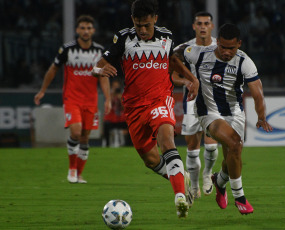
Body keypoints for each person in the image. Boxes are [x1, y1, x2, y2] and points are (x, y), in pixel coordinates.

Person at [92, 0, 199, 218]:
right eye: (139, 25)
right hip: (133, 107)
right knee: (150, 159)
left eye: (147, 25)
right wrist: (98, 71)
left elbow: (172, 60)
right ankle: (180, 176)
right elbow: (98, 65)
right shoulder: (123, 38)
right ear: (133, 20)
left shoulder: (166, 36)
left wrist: (191, 79)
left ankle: (180, 197)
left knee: (167, 140)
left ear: (155, 20)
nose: (142, 30)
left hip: (160, 100)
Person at [183, 23, 273, 215]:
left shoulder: (244, 62)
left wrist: (261, 116)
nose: (226, 52)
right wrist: (186, 80)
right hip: (208, 113)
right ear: (217, 43)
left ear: (239, 44)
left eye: (231, 48)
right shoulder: (199, 53)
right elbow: (173, 55)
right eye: (222, 46)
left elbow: (257, 93)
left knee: (233, 154)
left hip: (235, 114)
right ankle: (239, 197)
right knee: (234, 143)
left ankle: (219, 181)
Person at [34, 15, 111, 184]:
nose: (85, 31)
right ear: (77, 30)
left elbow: (104, 76)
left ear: (93, 31)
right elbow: (53, 69)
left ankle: (79, 175)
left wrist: (107, 98)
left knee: (85, 137)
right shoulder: (67, 50)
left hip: (91, 100)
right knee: (75, 132)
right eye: (82, 28)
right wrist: (42, 91)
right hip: (72, 99)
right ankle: (72, 169)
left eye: (88, 28)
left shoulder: (99, 51)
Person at [172, 11, 219, 199]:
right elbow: (173, 75)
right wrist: (185, 82)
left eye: (206, 23)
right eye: (199, 23)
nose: (202, 27)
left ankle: (207, 174)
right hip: (191, 101)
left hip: (215, 103)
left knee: (211, 146)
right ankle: (193, 184)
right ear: (194, 26)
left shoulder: (221, 47)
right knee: (192, 147)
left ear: (212, 26)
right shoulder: (184, 49)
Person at [103, 79, 129, 147]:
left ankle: (128, 144)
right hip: (112, 119)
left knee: (131, 125)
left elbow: (125, 108)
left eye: (117, 86)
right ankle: (107, 144)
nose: (116, 88)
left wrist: (120, 99)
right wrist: (112, 95)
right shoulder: (109, 95)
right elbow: (108, 106)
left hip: (121, 119)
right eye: (114, 86)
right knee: (106, 125)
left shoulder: (123, 95)